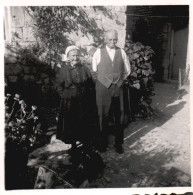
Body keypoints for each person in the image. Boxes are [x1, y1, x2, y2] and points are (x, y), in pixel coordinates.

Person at [92, 30, 131, 153]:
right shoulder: (98, 52)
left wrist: (120, 81)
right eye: (110, 39)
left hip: (118, 89)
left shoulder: (122, 52)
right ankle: (102, 143)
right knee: (102, 116)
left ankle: (118, 143)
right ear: (105, 39)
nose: (113, 42)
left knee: (119, 116)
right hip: (103, 89)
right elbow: (94, 71)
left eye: (115, 39)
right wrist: (103, 83)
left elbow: (128, 70)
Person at [56, 46, 97, 153]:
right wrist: (66, 97)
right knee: (71, 122)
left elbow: (91, 84)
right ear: (68, 57)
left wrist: (89, 96)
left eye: (77, 55)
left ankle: (85, 142)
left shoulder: (85, 69)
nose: (75, 58)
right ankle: (73, 145)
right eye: (73, 55)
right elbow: (59, 86)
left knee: (84, 120)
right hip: (70, 100)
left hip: (84, 99)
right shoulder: (63, 70)